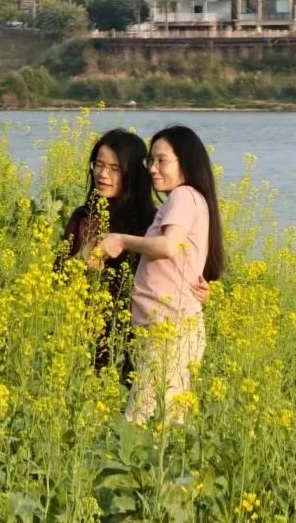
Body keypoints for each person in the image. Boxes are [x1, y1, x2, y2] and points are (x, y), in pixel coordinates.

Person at [100, 125, 224, 423]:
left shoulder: (183, 196)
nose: (153, 169)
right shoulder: (187, 200)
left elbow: (169, 246)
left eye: (161, 161)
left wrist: (120, 240)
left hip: (170, 331)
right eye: (150, 161)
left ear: (186, 162)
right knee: (166, 423)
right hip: (167, 329)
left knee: (138, 423)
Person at [63, 129, 206, 376]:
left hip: (136, 334)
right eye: (98, 165)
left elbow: (175, 266)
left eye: (115, 169)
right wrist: (84, 257)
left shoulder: (152, 222)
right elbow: (59, 275)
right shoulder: (83, 218)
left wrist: (202, 289)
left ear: (132, 174)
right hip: (81, 332)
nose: (103, 174)